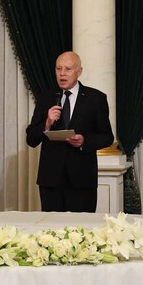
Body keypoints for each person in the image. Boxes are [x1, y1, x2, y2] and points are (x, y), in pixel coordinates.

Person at [26, 51, 114, 212]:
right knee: (51, 226)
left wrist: (84, 141)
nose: (62, 74)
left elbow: (107, 137)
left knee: (81, 227)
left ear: (79, 72)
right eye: (58, 69)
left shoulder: (96, 98)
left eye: (68, 69)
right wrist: (47, 123)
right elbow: (31, 139)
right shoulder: (46, 98)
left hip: (81, 180)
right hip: (50, 181)